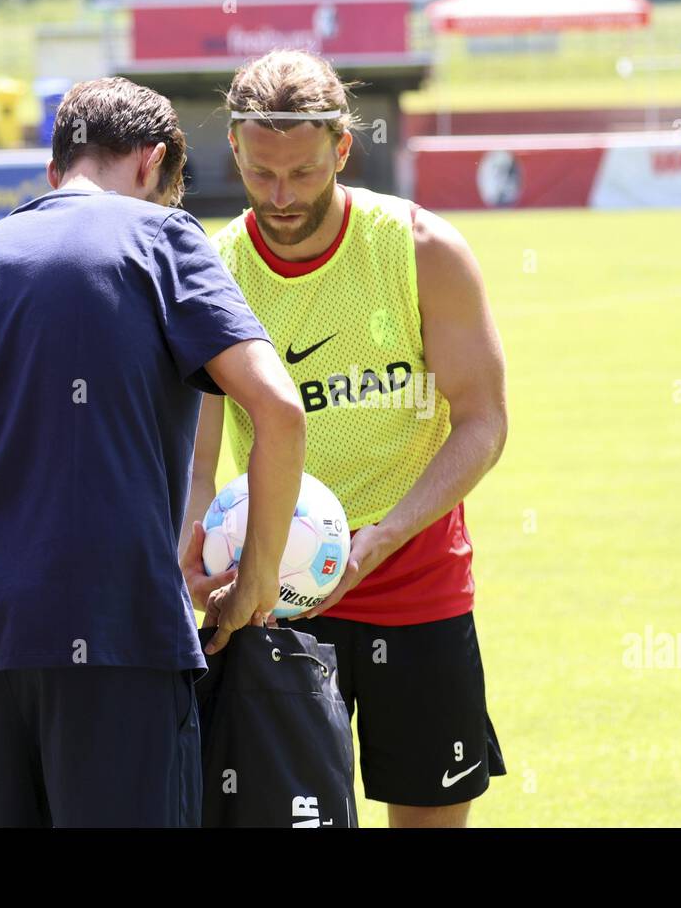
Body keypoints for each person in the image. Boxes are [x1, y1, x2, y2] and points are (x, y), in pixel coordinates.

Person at [0, 76, 305, 827]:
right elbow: (278, 409)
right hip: (124, 643)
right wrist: (252, 586)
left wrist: (3, 585)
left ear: (56, 171)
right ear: (152, 164)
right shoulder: (162, 238)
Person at [179, 50, 509, 828]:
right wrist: (190, 552)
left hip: (419, 589)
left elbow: (484, 421)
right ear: (235, 149)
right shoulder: (213, 274)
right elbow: (196, 459)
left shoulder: (421, 250)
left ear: (342, 150)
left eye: (301, 172)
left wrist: (382, 538)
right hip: (275, 599)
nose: (281, 196)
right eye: (261, 174)